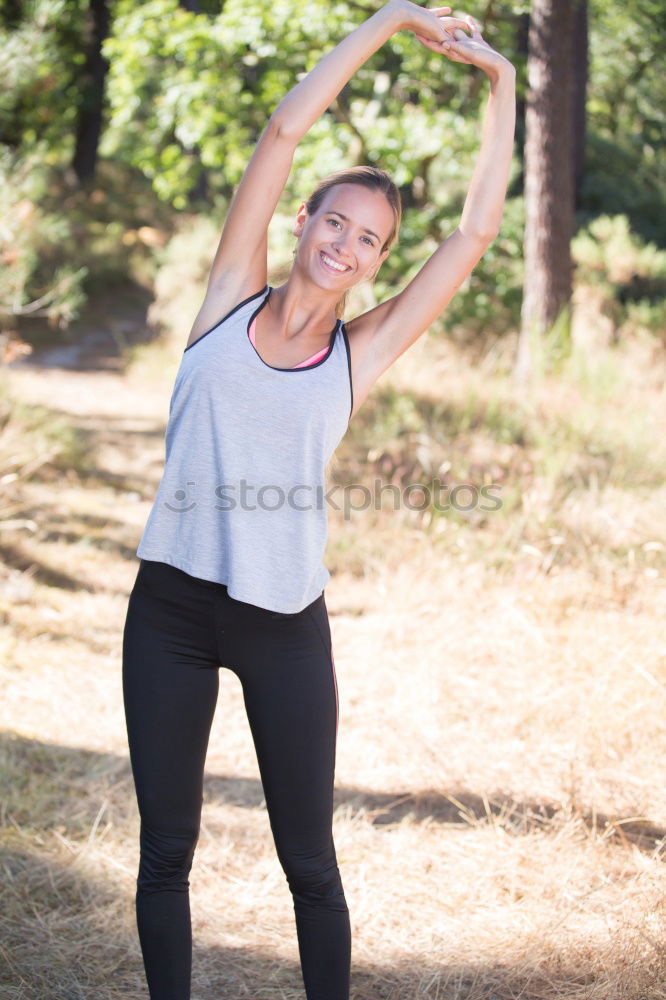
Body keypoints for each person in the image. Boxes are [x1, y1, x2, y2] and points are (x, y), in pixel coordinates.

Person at [121, 2, 515, 997]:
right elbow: (286, 128)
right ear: (303, 220)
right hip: (167, 609)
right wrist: (389, 18)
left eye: (370, 240)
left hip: (285, 626)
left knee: (311, 865)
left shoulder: (358, 354)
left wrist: (503, 87)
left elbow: (473, 233)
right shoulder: (226, 299)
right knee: (167, 851)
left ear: (379, 262)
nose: (346, 243)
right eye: (334, 219)